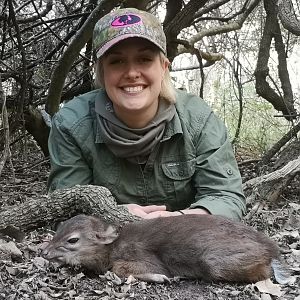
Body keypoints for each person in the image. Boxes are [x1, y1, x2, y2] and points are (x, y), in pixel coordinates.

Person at [47, 8, 246, 221]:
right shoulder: (71, 125)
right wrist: (115, 217)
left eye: (144, 59)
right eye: (117, 61)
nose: (132, 73)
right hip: (107, 246)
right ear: (102, 72)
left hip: (186, 244)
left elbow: (226, 198)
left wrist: (173, 222)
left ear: (163, 67)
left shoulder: (198, 118)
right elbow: (64, 212)